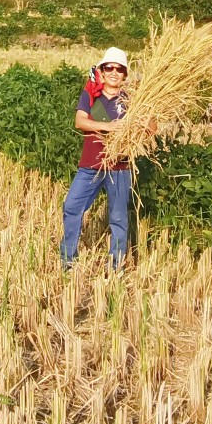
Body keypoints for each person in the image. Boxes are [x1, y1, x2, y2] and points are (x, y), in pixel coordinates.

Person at [62, 47, 133, 269]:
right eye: (109, 67)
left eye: (119, 69)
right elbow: (80, 121)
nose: (114, 72)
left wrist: (137, 128)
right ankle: (67, 261)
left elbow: (152, 125)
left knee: (119, 218)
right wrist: (108, 127)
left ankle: (116, 266)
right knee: (71, 207)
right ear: (101, 71)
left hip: (120, 167)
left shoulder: (132, 99)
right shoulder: (91, 95)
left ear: (124, 74)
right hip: (91, 165)